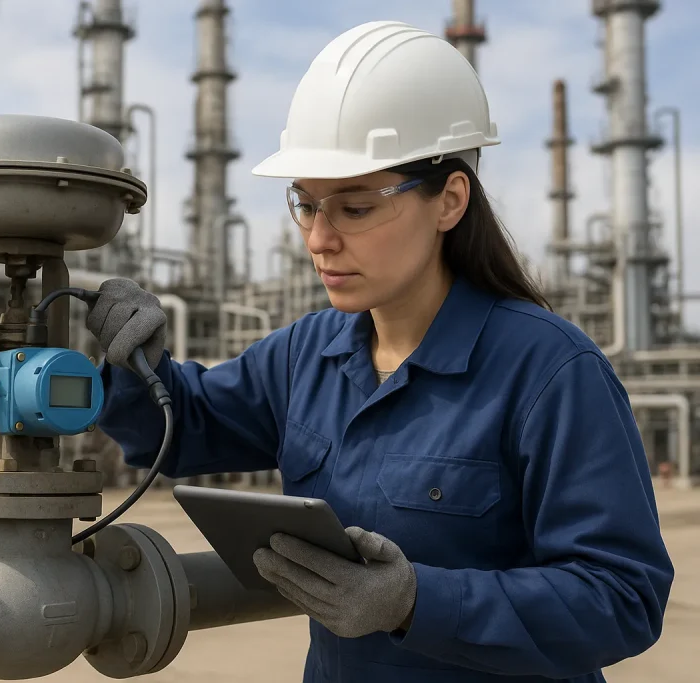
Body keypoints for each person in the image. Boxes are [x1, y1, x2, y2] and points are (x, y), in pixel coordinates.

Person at [83, 20, 674, 683]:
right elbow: (180, 424)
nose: (319, 239)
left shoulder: (548, 372)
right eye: (305, 205)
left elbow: (622, 597)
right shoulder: (307, 355)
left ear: (450, 200)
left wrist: (418, 599)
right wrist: (132, 357)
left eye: (354, 208)